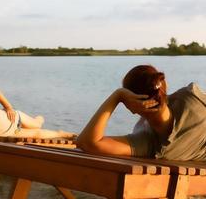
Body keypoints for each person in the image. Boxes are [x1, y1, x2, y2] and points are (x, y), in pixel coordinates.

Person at [77, 65, 206, 161]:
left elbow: (87, 143)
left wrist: (117, 95)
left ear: (132, 108)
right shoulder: (191, 97)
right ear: (163, 86)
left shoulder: (147, 143)